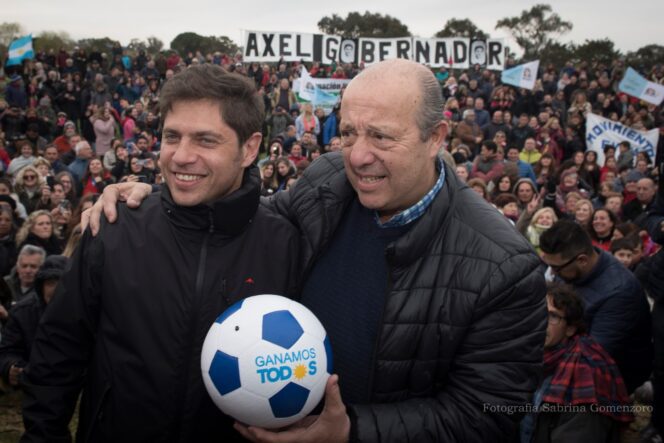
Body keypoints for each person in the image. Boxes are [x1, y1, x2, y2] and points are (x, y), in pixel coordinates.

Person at [89, 58, 547, 442]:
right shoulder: (328, 178)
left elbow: (488, 415)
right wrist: (157, 197)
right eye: (348, 133)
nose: (358, 156)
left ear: (436, 137)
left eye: (381, 136)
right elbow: (252, 218)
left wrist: (350, 431)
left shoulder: (502, 266)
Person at [21, 64, 300, 442]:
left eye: (205, 140)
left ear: (249, 149)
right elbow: (59, 351)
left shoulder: (285, 243)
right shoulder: (113, 226)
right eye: (172, 137)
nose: (181, 156)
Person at [539, 220, 652, 393]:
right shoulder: (571, 270)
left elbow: (593, 354)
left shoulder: (620, 292)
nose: (553, 273)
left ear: (582, 260)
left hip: (605, 376)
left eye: (556, 268)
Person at [520, 284, 633, 443]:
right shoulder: (526, 353)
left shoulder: (585, 374)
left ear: (570, 329)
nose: (541, 321)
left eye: (552, 316)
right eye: (537, 312)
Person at [0, 255, 68, 389]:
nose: (56, 290)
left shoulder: (85, 312)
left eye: (62, 283)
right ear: (41, 286)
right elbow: (7, 351)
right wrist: (10, 367)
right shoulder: (23, 313)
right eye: (50, 283)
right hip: (34, 385)